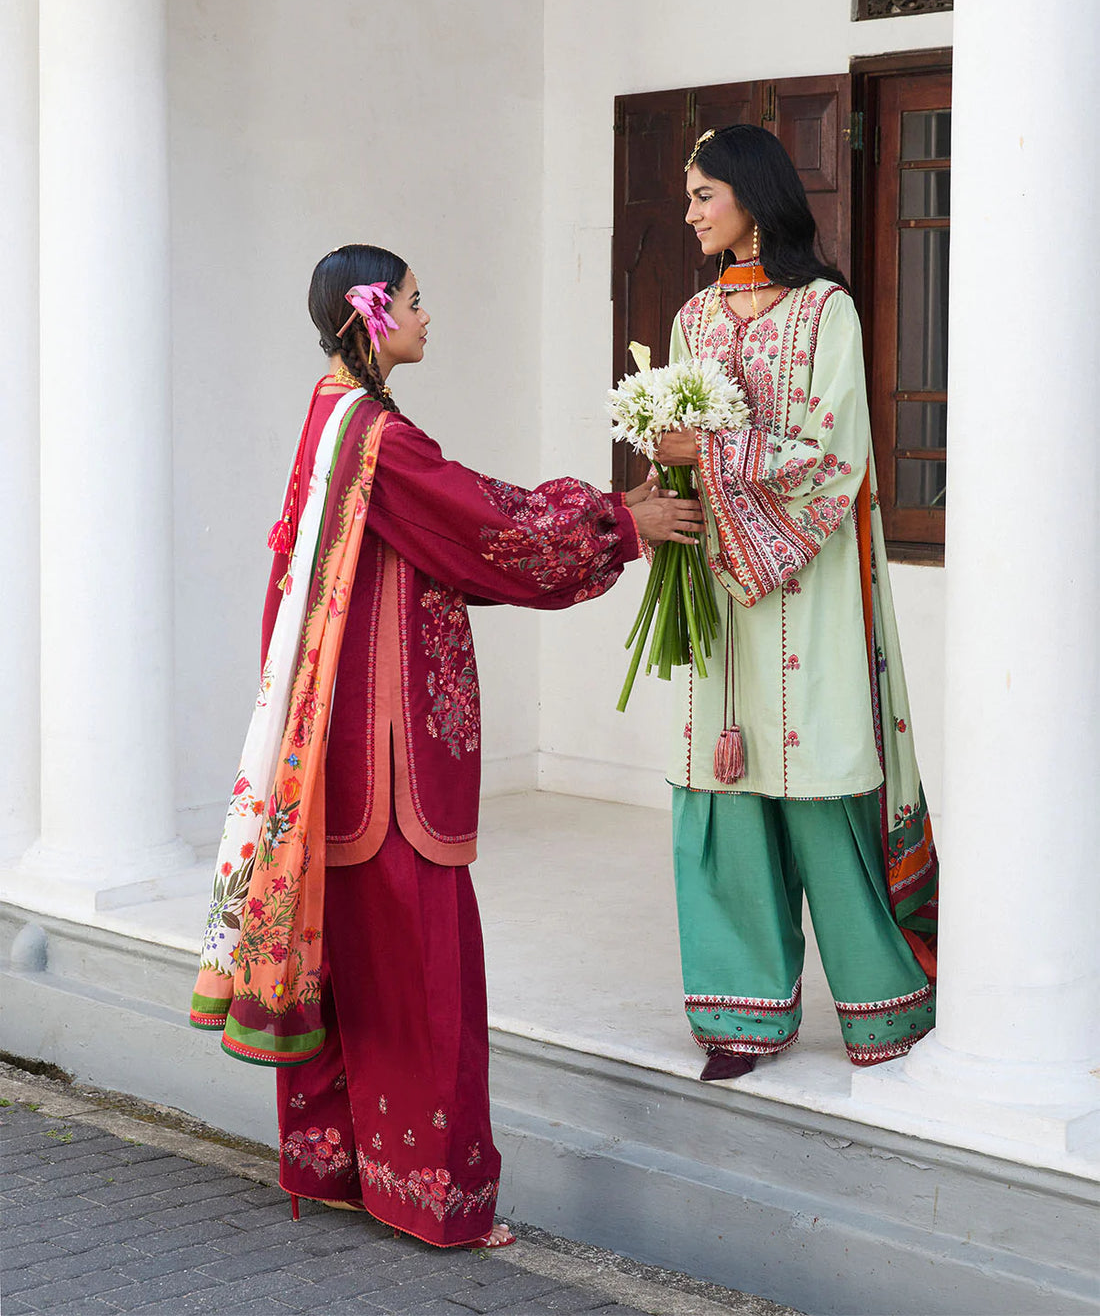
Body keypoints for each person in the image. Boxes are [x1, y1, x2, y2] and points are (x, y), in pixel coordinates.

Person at [191, 244, 702, 1247]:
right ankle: (435, 1197)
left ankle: (337, 1163)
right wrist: (621, 517)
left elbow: (450, 541)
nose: (431, 316)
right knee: (423, 966)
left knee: (354, 957)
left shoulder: (328, 417)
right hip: (386, 747)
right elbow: (483, 523)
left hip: (334, 734)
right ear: (369, 316)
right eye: (417, 302)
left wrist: (612, 517)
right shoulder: (375, 436)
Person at [656, 125, 939, 1082]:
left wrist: (720, 460)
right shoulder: (693, 322)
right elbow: (676, 443)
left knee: (815, 774)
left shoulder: (827, 313)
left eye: (703, 194)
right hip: (714, 588)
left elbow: (837, 456)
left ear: (749, 194)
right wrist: (674, 480)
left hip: (807, 583)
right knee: (722, 782)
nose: (690, 212)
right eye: (689, 196)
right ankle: (742, 1014)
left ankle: (880, 1004)